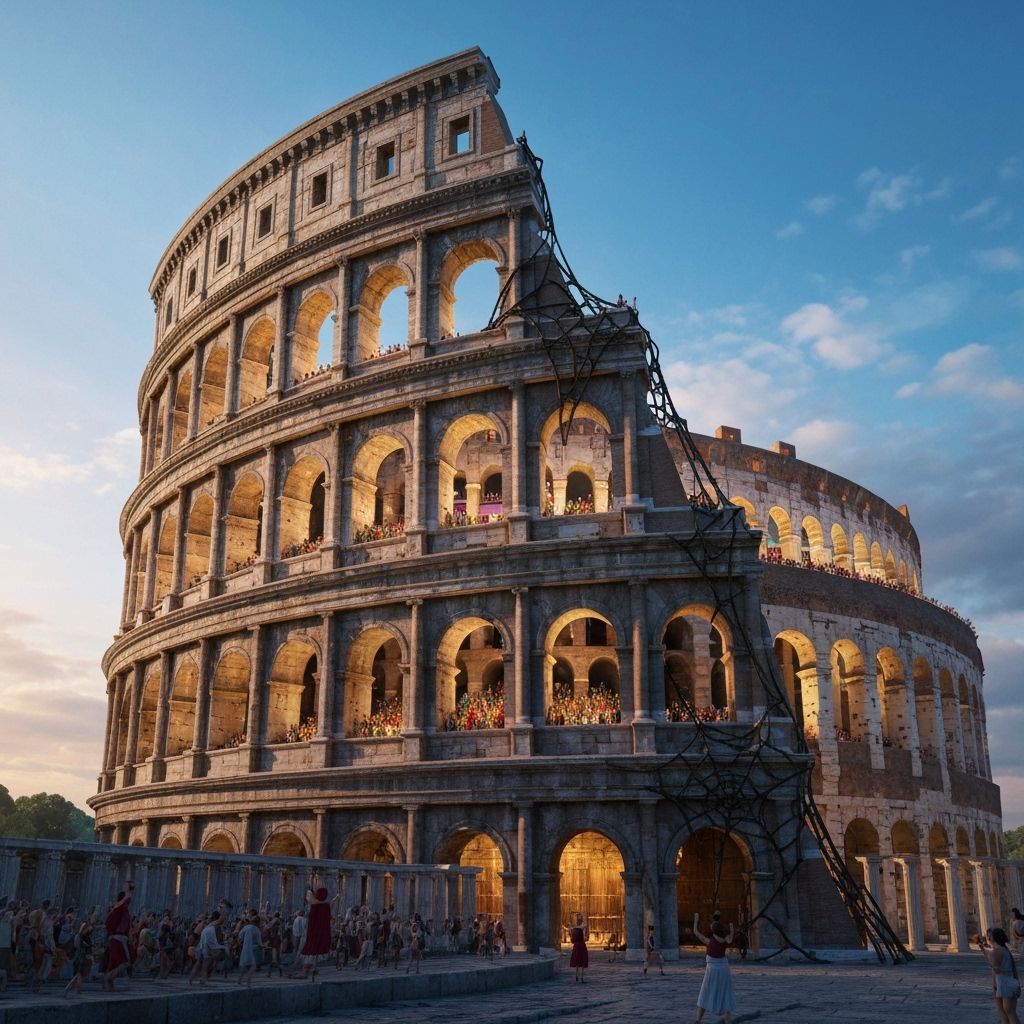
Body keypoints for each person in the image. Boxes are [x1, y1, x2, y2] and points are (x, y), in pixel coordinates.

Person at [693, 913, 735, 1024]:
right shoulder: (725, 939)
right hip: (723, 969)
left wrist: (696, 920)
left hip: (712, 970)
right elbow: (731, 938)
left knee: (705, 993)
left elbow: (696, 933)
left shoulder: (709, 941)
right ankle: (728, 1022)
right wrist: (731, 927)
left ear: (713, 930)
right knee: (726, 993)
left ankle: (698, 1021)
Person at [978, 927, 1021, 1024]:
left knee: (1009, 1013)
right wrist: (982, 947)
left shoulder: (997, 951)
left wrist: (994, 985)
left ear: (992, 938)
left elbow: (994, 967)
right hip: (1006, 982)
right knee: (1006, 1014)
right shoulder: (1003, 950)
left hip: (1004, 983)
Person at [101, 884, 133, 990]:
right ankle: (107, 978)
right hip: (118, 938)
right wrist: (130, 889)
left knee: (114, 962)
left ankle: (110, 981)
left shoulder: (121, 909)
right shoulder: (120, 907)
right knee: (125, 961)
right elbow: (127, 899)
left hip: (118, 938)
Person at [295, 887, 332, 980]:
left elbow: (312, 918)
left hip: (314, 931)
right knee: (315, 950)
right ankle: (312, 969)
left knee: (310, 950)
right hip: (323, 932)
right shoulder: (326, 906)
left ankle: (304, 972)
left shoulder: (315, 905)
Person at [238, 912, 263, 988]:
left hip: (245, 948)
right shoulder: (257, 930)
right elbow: (259, 942)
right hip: (251, 949)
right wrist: (264, 946)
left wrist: (240, 941)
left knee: (244, 965)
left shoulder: (246, 927)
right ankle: (248, 981)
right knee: (253, 966)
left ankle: (239, 980)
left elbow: (240, 936)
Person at [568, 912, 588, 983]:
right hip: (579, 944)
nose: (578, 919)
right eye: (577, 918)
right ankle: (578, 975)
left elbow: (582, 927)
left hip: (579, 944)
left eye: (578, 918)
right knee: (579, 959)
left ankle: (580, 976)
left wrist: (572, 927)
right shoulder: (577, 926)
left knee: (581, 959)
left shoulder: (578, 926)